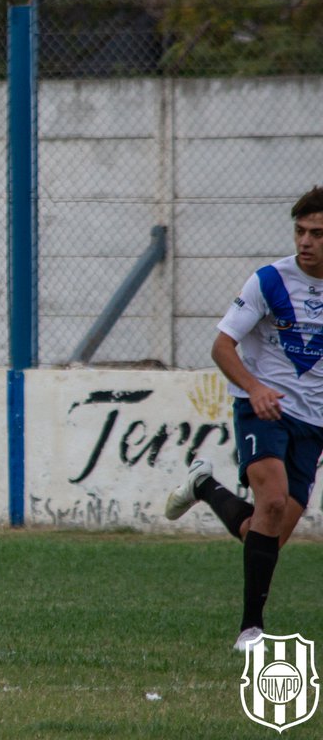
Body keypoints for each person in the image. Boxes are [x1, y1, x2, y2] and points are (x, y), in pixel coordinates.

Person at [165, 186, 323, 651]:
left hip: (313, 423)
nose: (305, 241)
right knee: (271, 504)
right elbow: (221, 346)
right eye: (300, 231)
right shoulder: (269, 281)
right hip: (262, 409)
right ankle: (250, 630)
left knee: (266, 535)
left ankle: (204, 487)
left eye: (316, 233)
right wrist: (254, 388)